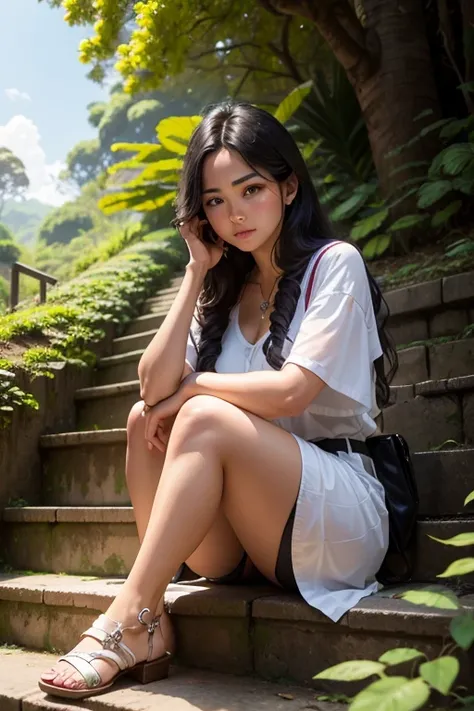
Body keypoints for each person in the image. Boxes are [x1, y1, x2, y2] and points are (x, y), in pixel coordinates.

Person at [38, 101, 397, 700]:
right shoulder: (224, 297)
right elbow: (153, 389)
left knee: (199, 412)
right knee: (139, 419)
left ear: (288, 187)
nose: (234, 214)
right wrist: (196, 273)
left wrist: (198, 387)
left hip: (338, 513)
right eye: (214, 201)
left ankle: (127, 619)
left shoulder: (334, 265)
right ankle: (149, 616)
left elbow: (292, 391)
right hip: (253, 533)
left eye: (251, 189)